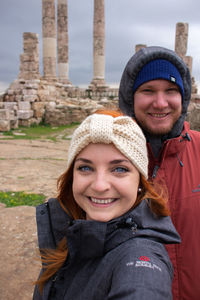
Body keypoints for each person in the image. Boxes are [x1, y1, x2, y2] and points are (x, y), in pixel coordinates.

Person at [33, 110, 180, 300]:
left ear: (140, 183)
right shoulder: (71, 233)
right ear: (72, 177)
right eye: (85, 168)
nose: (100, 185)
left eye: (119, 169)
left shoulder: (142, 257)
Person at [118, 46, 200, 300]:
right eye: (148, 90)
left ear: (183, 97)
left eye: (171, 91)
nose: (161, 103)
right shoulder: (108, 158)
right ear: (131, 97)